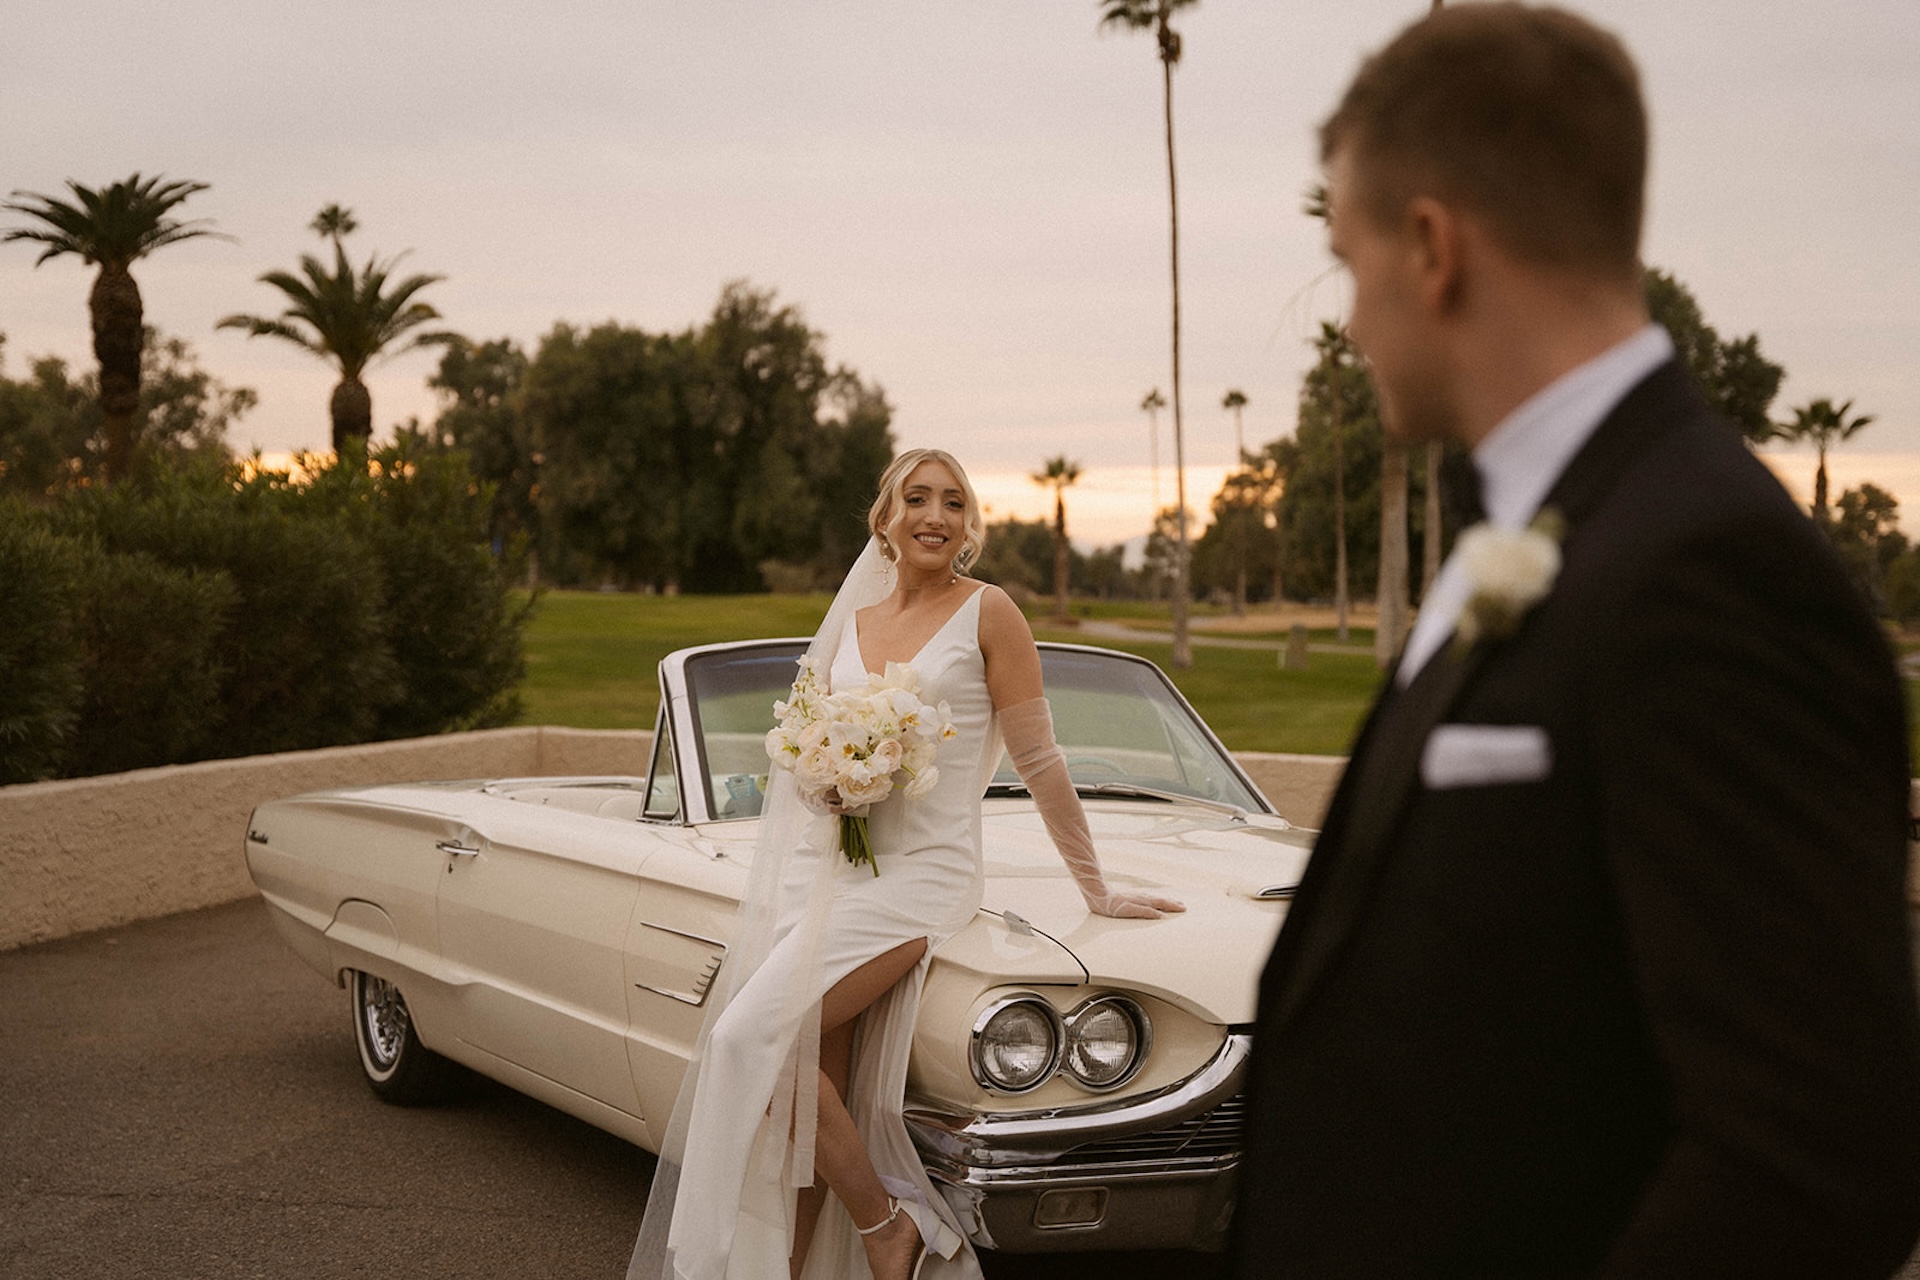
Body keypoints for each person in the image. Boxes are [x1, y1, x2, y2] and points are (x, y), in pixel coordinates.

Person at [1231, 6, 1920, 1277]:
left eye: (1347, 256)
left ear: (1432, 248)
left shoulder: (1712, 567)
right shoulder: (1540, 520)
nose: (1350, 319)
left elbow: (1814, 1156)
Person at [629, 447, 1183, 1280]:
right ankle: (790, 1267)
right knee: (812, 1078)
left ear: (969, 525)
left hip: (924, 877)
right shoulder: (850, 624)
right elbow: (805, 748)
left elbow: (1039, 760)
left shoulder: (990, 612)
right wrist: (830, 782)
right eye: (916, 498)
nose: (935, 515)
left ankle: (887, 1225)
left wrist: (1095, 887)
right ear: (883, 520)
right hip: (834, 870)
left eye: (953, 502)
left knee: (755, 1039)